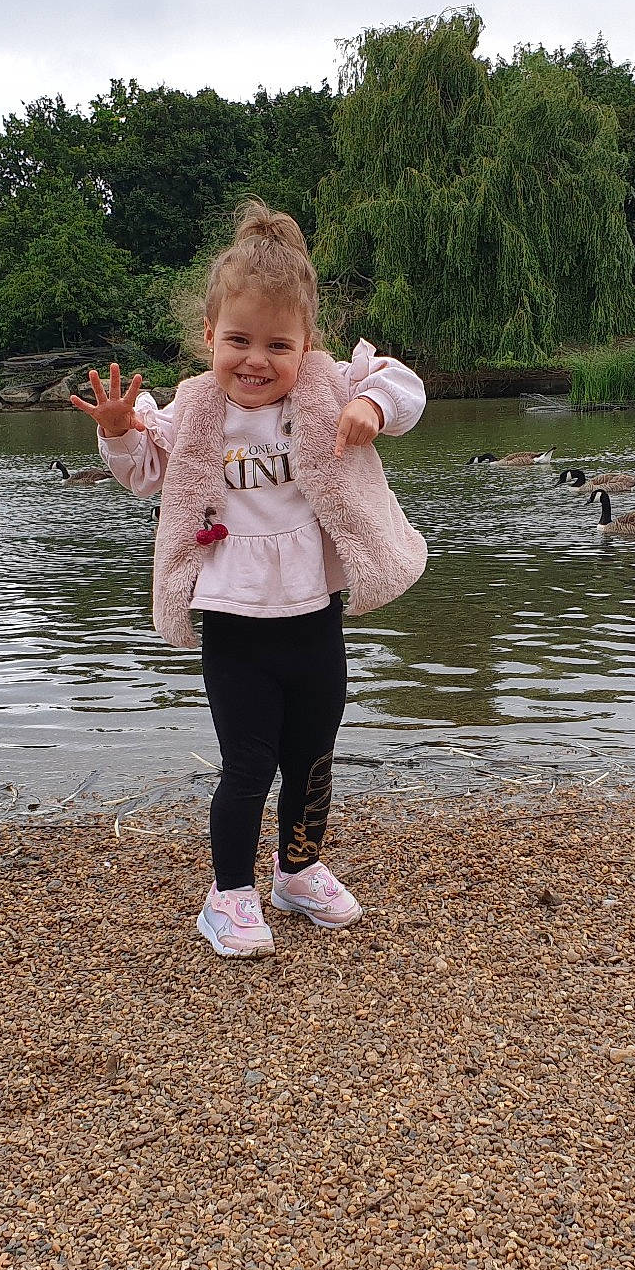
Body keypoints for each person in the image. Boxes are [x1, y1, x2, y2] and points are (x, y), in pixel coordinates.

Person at [71, 201, 427, 959]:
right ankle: (227, 894)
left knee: (314, 752)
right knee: (248, 762)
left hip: (313, 610)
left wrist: (369, 402)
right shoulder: (193, 410)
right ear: (209, 338)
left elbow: (404, 387)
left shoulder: (328, 388)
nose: (255, 360)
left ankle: (297, 871)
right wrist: (117, 432)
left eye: (278, 344)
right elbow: (145, 477)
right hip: (233, 617)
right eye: (237, 340)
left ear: (307, 345)